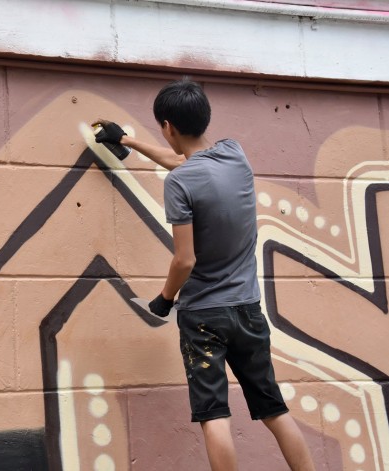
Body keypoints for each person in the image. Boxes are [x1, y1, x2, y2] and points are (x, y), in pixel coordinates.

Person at [92, 79, 315, 471]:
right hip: (247, 311)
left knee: (214, 416)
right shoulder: (234, 154)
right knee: (274, 410)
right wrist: (127, 140)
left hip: (204, 318)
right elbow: (185, 161)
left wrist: (164, 299)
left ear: (167, 127)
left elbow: (185, 260)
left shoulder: (179, 184)